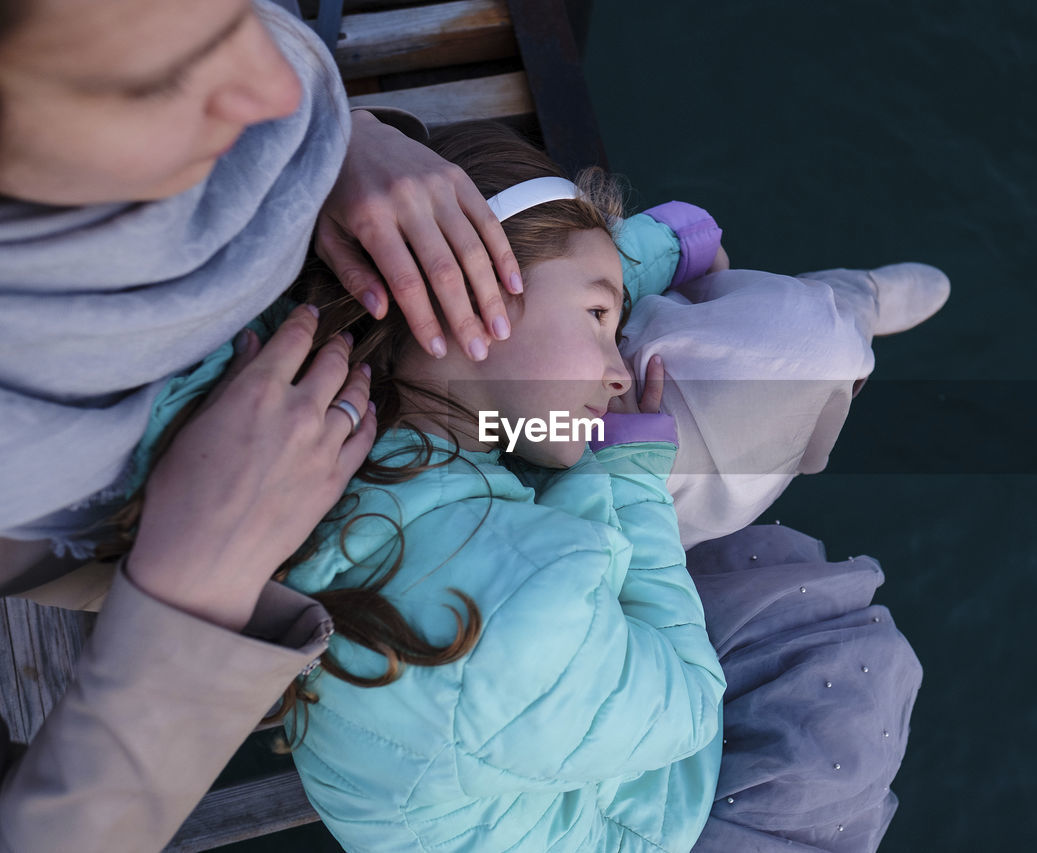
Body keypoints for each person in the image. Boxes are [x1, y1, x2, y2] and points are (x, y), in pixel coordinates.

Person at [251, 121, 921, 852]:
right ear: (464, 296)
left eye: (611, 319)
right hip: (625, 816)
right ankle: (842, 318)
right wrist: (625, 473)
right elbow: (692, 703)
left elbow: (542, 283)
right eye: (602, 320)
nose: (616, 368)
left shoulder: (348, 399)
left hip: (517, 714)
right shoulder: (526, 601)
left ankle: (839, 320)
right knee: (842, 692)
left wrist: (661, 247)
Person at [0, 1, 522, 850]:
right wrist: (191, 593)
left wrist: (345, 139)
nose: (285, 83)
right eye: (159, 81)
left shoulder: (286, 113)